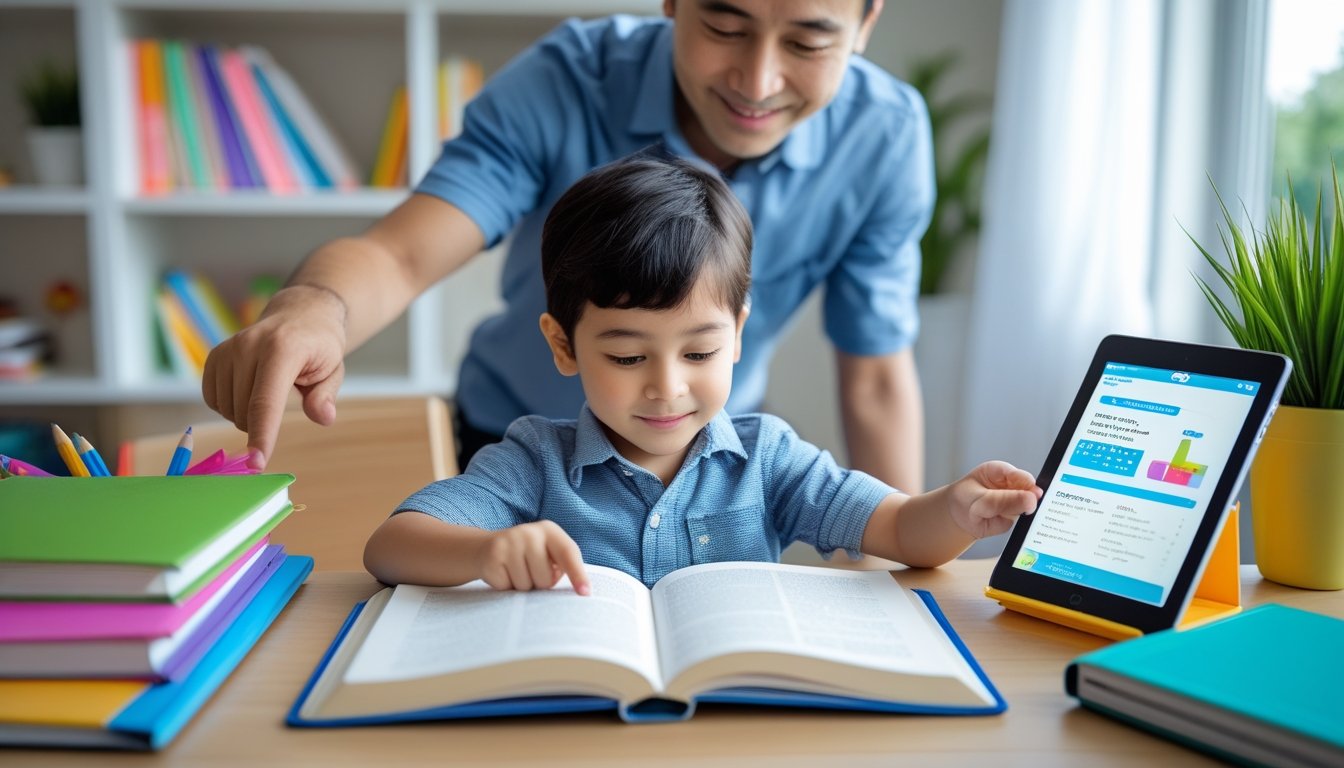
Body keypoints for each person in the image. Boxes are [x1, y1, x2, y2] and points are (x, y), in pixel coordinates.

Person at [203, 0, 934, 495]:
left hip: (704, 458)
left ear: (867, 22)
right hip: (512, 442)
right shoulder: (567, 81)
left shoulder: (884, 136)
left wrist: (897, 565)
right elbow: (401, 254)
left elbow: (874, 377)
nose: (758, 80)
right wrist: (312, 310)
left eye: (809, 42)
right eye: (724, 25)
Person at [363, 155, 1039, 592]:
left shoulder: (767, 457)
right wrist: (486, 551)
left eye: (698, 352)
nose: (667, 386)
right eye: (628, 357)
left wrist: (950, 511)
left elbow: (899, 531)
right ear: (563, 345)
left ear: (738, 335)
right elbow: (391, 547)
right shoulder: (534, 459)